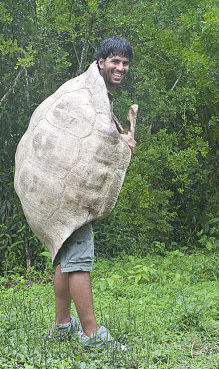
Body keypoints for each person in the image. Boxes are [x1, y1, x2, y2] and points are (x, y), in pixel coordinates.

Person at [47, 37, 136, 350]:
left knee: (63, 258)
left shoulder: (93, 93)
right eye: (115, 61)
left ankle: (61, 326)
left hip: (61, 193)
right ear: (101, 62)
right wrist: (120, 142)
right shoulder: (90, 95)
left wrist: (120, 136)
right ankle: (91, 335)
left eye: (125, 63)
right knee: (79, 262)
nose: (120, 68)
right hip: (74, 194)